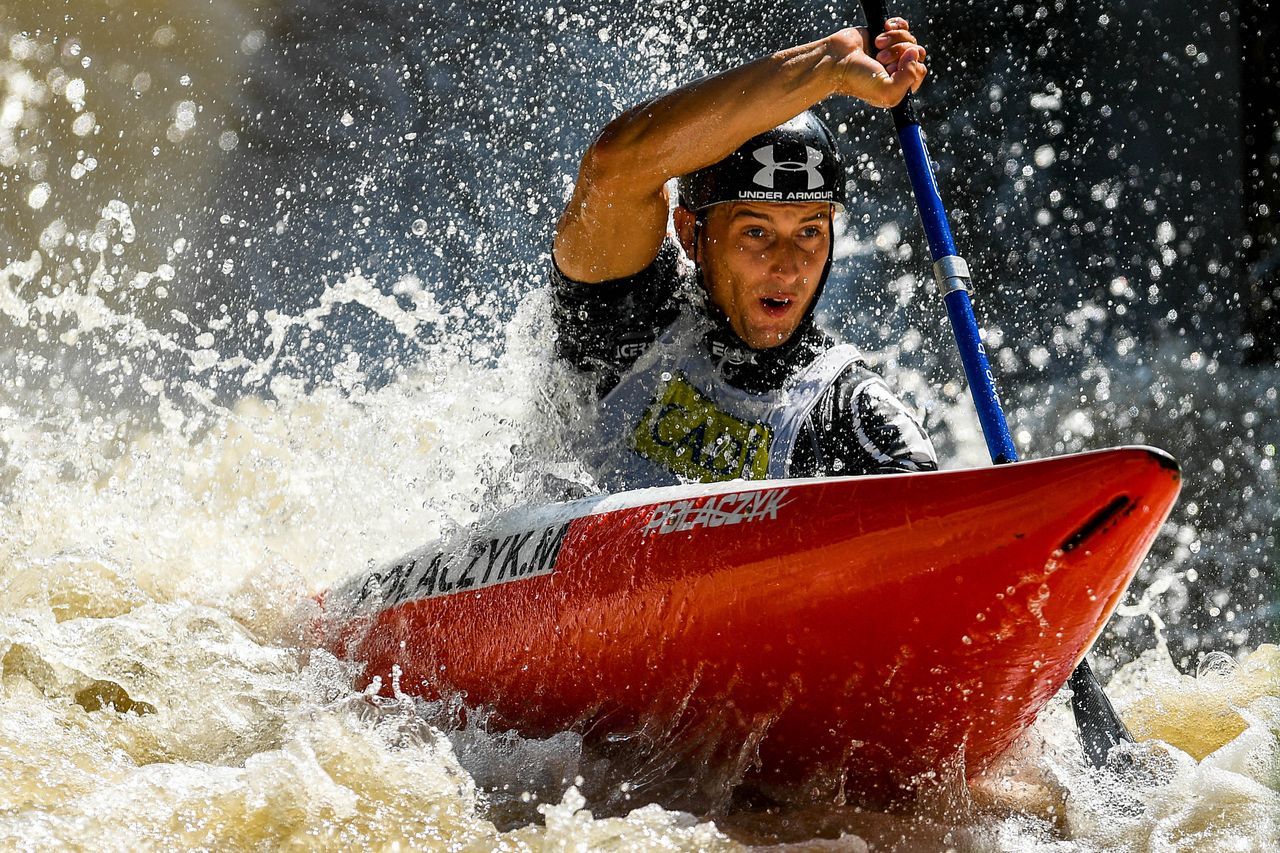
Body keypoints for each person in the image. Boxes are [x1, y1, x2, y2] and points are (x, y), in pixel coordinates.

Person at [551, 18, 938, 492]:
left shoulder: (844, 408)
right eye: (757, 232)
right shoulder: (627, 310)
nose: (788, 265)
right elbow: (614, 167)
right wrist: (827, 67)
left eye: (809, 232)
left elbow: (935, 521)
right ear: (690, 231)